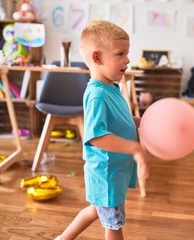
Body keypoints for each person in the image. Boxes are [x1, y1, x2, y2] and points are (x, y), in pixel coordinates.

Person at [55, 20, 151, 240]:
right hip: (106, 172)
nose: (127, 59)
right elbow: (97, 137)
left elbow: (121, 120)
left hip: (112, 171)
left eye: (127, 53)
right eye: (120, 54)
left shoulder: (111, 87)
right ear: (97, 58)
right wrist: (136, 149)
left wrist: (143, 122)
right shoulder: (97, 94)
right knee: (113, 224)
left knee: (95, 211)